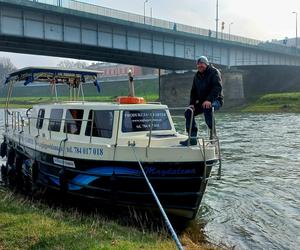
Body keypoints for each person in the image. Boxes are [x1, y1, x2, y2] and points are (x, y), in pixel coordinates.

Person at [180, 56, 224, 146]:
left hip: (216, 100)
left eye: (202, 64)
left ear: (206, 64)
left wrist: (209, 100)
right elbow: (193, 91)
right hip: (202, 102)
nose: (200, 66)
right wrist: (192, 104)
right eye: (198, 65)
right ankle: (192, 138)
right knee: (188, 112)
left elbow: (217, 88)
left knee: (208, 107)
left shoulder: (214, 72)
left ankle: (213, 134)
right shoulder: (196, 76)